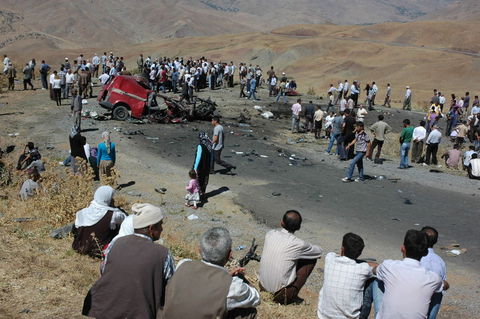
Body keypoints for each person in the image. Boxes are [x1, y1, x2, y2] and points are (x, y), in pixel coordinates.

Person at [82, 204, 174, 318]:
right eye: (160, 225)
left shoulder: (116, 243)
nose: (162, 229)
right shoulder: (163, 254)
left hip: (106, 310)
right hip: (139, 313)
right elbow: (170, 288)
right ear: (151, 228)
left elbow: (103, 270)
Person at [163, 227, 260, 318]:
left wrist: (226, 275)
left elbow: (202, 284)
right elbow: (256, 298)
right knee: (250, 312)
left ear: (199, 250)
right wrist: (241, 278)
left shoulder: (183, 264)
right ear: (229, 255)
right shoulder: (233, 287)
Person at [374, 230, 447, 319]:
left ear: (402, 248)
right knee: (437, 290)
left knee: (377, 278)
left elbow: (375, 270)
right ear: (425, 253)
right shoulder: (432, 278)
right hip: (434, 283)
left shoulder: (389, 266)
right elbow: (446, 285)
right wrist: (441, 282)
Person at [259, 210, 323, 305]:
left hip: (262, 287)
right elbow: (319, 252)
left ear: (282, 222)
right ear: (298, 227)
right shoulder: (299, 244)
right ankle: (291, 295)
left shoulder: (270, 233)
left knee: (293, 255)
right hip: (279, 296)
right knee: (311, 259)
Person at [317, 233, 377, 319]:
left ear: (342, 249)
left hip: (323, 316)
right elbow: (376, 266)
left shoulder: (329, 258)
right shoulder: (364, 268)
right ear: (359, 253)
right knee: (372, 281)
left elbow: (336, 254)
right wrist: (360, 262)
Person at [72, 186, 126, 257]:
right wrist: (115, 208)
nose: (113, 200)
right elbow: (125, 219)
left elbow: (75, 230)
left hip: (79, 247)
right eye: (111, 198)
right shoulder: (113, 215)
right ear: (107, 199)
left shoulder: (82, 212)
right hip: (100, 251)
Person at [420, 226, 449, 319]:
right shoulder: (440, 261)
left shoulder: (417, 256)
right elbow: (444, 285)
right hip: (434, 297)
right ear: (435, 241)